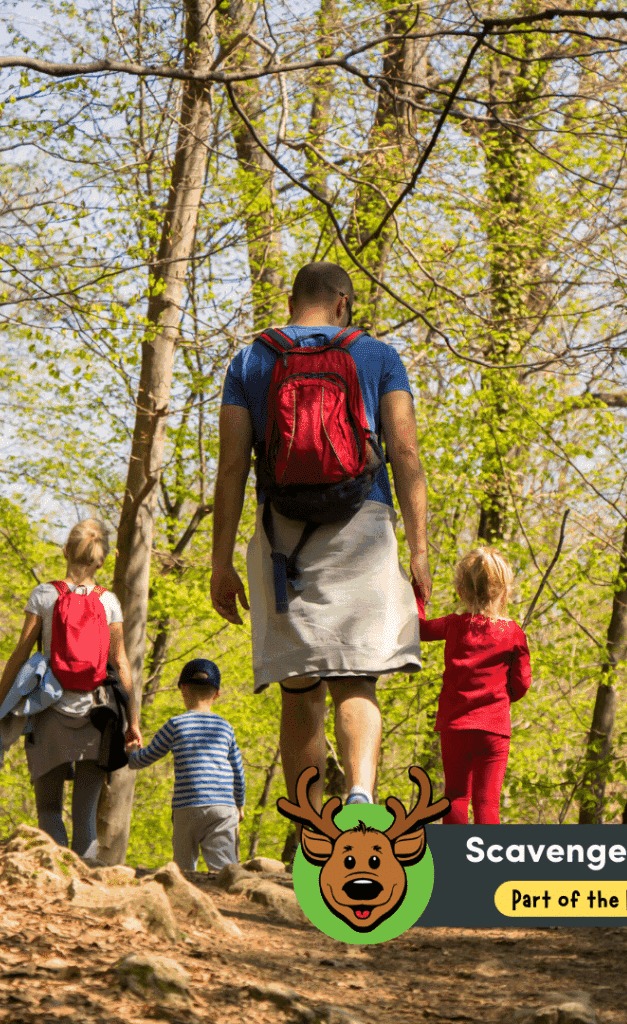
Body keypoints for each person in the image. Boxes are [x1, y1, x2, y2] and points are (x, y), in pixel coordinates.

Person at [211, 261, 430, 811]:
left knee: (299, 688)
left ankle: (311, 827)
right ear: (342, 303)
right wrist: (420, 550)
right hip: (364, 529)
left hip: (283, 537)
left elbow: (232, 466)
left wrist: (221, 563)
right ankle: (359, 797)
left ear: (291, 303)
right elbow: (405, 452)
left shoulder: (250, 359)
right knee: (357, 680)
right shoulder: (378, 356)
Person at [0, 519, 141, 859]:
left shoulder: (44, 595)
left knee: (49, 809)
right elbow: (121, 664)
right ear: (101, 560)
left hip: (48, 713)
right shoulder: (109, 602)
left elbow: (20, 656)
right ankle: (85, 882)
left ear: (65, 551)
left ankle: (56, 876)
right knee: (85, 816)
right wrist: (133, 722)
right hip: (98, 716)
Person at [414, 547, 531, 824]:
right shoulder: (512, 633)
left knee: (455, 796)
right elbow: (522, 683)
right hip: (494, 729)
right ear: (505, 592)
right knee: (487, 802)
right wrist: (503, 697)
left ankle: (454, 852)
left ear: (461, 590)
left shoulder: (454, 625)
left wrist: (418, 592)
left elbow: (419, 629)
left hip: (455, 727)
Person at [127, 659, 246, 870]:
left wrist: (131, 753)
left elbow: (146, 757)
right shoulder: (225, 727)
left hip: (187, 806)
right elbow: (238, 771)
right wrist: (240, 804)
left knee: (183, 868)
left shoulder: (175, 724)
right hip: (223, 807)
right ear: (217, 693)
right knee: (224, 869)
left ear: (183, 689)